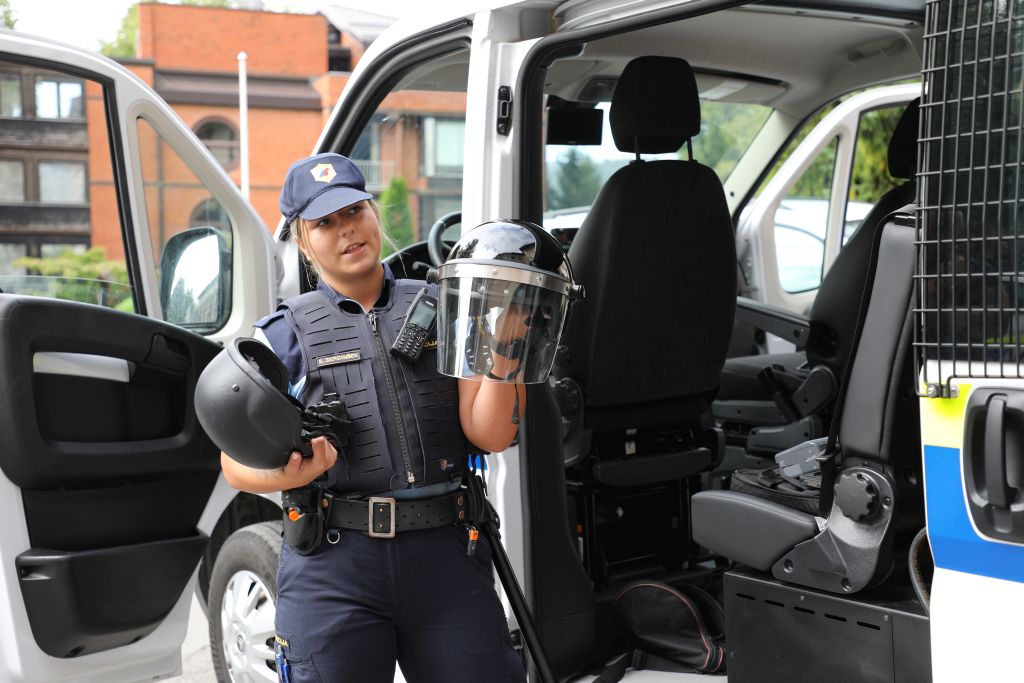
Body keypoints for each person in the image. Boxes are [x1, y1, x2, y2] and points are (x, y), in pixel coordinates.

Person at [219, 152, 528, 683]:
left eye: (354, 211)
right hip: (334, 567)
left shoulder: (447, 308)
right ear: (301, 239)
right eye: (325, 223)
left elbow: (491, 434)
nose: (347, 231)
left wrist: (506, 349)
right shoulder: (281, 336)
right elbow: (233, 464)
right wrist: (292, 475)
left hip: (447, 557)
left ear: (373, 212)